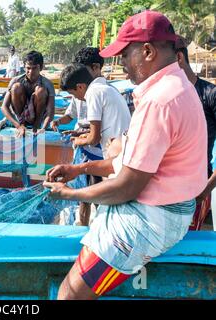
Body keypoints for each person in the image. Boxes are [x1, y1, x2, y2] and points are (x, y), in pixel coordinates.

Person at [43, 10, 207, 300]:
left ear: (147, 51)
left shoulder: (159, 101)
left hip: (150, 219)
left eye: (124, 55)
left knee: (69, 294)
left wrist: (67, 194)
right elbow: (128, 162)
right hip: (171, 210)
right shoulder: (180, 86)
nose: (120, 64)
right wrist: (79, 170)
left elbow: (127, 186)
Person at [51, 47, 107, 226]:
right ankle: (82, 222)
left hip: (95, 145)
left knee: (94, 186)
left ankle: (95, 222)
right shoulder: (80, 89)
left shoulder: (99, 92)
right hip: (84, 142)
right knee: (84, 187)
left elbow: (97, 132)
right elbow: (72, 115)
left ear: (95, 68)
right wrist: (60, 122)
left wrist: (80, 137)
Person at [176, 35, 216, 230]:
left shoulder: (210, 94)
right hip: (166, 191)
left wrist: (206, 188)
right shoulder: (166, 97)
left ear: (178, 59)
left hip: (197, 187)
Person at [59, 62, 131, 158]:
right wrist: (85, 134)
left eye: (73, 94)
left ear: (80, 86)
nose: (75, 98)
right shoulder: (104, 88)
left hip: (116, 154)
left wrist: (78, 141)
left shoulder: (93, 93)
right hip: (122, 148)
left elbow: (94, 139)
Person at [0, 51, 55, 138]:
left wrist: (43, 128)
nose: (31, 71)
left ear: (40, 67)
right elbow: (4, 107)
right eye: (28, 68)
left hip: (38, 119)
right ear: (24, 67)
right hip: (20, 118)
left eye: (34, 68)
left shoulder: (47, 84)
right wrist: (18, 126)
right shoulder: (15, 80)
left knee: (40, 90)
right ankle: (22, 124)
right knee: (16, 87)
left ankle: (36, 126)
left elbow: (50, 111)